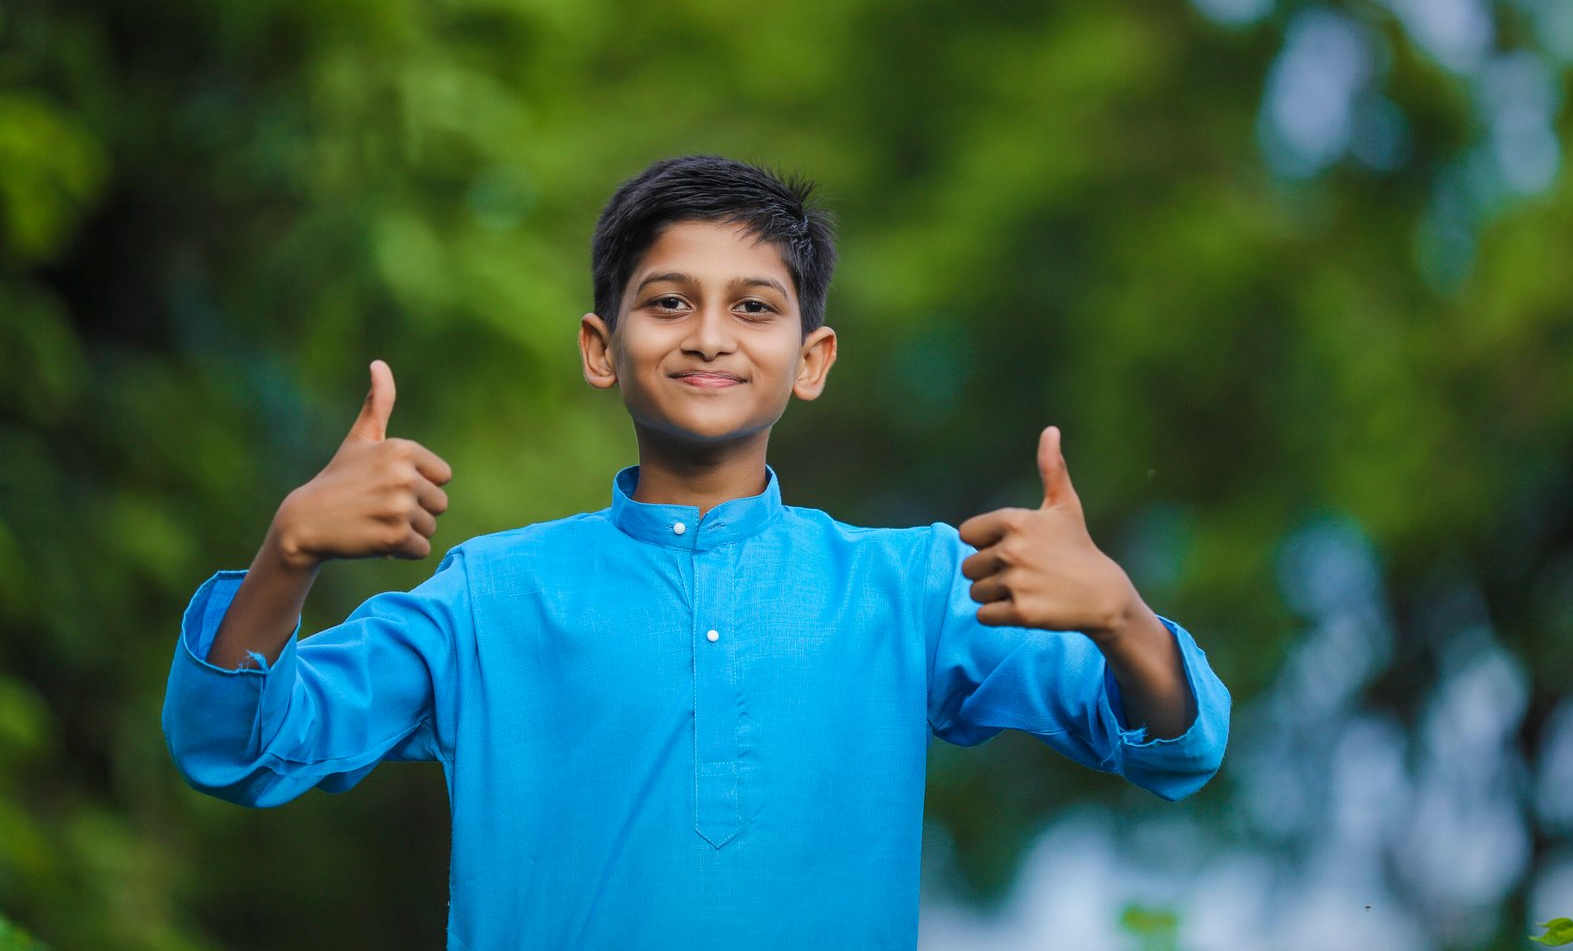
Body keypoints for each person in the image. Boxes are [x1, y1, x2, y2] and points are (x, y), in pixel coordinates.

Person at [162, 154, 1230, 949]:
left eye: (754, 307)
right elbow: (239, 744)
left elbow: (1170, 744)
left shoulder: (908, 589)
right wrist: (288, 550)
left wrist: (1118, 614)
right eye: (668, 301)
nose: (709, 334)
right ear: (600, 346)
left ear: (810, 359)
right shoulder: (489, 598)